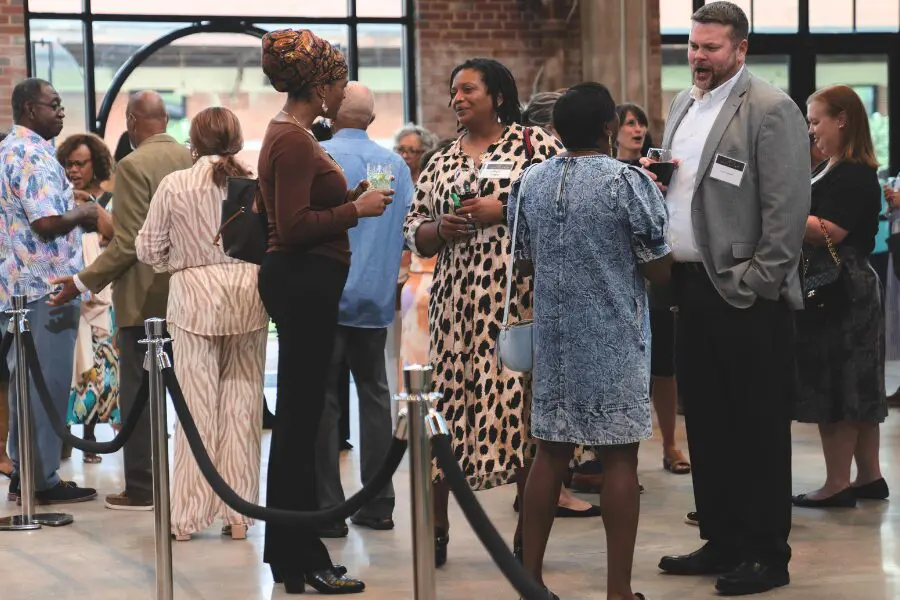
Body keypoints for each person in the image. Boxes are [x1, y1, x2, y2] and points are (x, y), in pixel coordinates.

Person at [651, 3, 810, 596]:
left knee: (757, 427)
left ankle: (767, 553)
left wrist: (757, 283)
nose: (698, 56)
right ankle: (721, 538)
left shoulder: (771, 109)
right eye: (693, 45)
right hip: (688, 287)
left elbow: (786, 212)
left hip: (744, 294)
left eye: (711, 48)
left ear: (740, 49)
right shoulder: (682, 104)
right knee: (709, 423)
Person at [402, 58, 563, 567]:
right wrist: (439, 231)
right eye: (453, 91)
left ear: (497, 95)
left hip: (517, 301)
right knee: (444, 413)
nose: (457, 98)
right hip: (454, 308)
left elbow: (564, 210)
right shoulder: (441, 159)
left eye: (468, 89)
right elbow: (414, 228)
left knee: (520, 410)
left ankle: (525, 536)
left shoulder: (536, 148)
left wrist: (505, 210)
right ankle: (437, 529)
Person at [516, 82, 670, 600]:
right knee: (620, 460)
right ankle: (618, 591)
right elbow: (658, 264)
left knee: (550, 454)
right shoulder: (626, 182)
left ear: (557, 130)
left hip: (555, 335)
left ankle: (531, 579)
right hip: (613, 334)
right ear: (609, 126)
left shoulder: (532, 181)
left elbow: (525, 258)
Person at [257, 28, 393, 595]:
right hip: (302, 283)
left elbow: (304, 208)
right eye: (337, 81)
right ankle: (299, 552)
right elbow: (290, 229)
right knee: (300, 420)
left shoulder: (295, 134)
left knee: (303, 416)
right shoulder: (292, 138)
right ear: (320, 84)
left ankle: (293, 553)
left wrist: (346, 197)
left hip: (308, 283)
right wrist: (356, 209)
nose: (341, 92)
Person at [49, 91, 193, 511]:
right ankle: (188, 485)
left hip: (143, 300)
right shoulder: (191, 159)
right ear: (164, 119)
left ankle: (144, 487)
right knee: (188, 394)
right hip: (187, 296)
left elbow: (127, 242)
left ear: (132, 121)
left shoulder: (132, 166)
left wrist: (80, 281)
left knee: (139, 397)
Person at [135, 106, 270, 540]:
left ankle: (188, 517)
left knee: (194, 409)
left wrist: (182, 263)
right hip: (249, 293)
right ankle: (238, 516)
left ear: (193, 141)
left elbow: (148, 249)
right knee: (243, 408)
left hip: (193, 299)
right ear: (235, 138)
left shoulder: (175, 184)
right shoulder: (254, 183)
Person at [313, 82, 413, 535]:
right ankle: (378, 503)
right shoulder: (393, 165)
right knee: (375, 394)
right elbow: (409, 229)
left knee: (324, 401)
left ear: (331, 113)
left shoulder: (320, 157)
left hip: (325, 294)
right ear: (371, 120)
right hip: (373, 295)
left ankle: (328, 508)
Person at [0, 78, 99, 504]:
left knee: (24, 385)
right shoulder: (32, 153)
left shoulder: (8, 148)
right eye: (53, 104)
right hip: (47, 286)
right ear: (27, 108)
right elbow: (45, 224)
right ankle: (42, 479)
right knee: (47, 383)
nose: (60, 111)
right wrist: (86, 211)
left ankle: (25, 471)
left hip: (17, 288)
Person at [791, 85, 889, 508]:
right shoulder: (833, 167)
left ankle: (836, 483)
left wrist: (781, 211)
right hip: (848, 282)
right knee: (860, 383)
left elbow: (830, 231)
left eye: (816, 121)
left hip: (839, 283)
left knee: (838, 383)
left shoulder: (850, 172)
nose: (811, 130)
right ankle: (868, 476)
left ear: (842, 119)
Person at [615, 103, 691, 477]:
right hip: (620, 280)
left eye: (641, 122)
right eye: (630, 122)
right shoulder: (610, 172)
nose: (637, 129)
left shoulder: (657, 168)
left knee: (664, 365)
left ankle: (671, 445)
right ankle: (616, 459)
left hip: (657, 276)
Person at [56, 133, 118, 464]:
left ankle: (92, 436)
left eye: (80, 163)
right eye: (68, 164)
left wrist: (89, 207)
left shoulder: (109, 199)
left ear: (96, 163)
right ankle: (64, 437)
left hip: (103, 295)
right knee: (70, 369)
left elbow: (115, 235)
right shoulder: (57, 199)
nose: (73, 170)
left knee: (100, 368)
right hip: (69, 292)